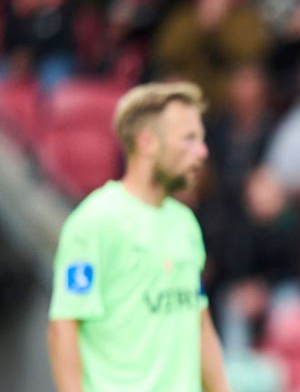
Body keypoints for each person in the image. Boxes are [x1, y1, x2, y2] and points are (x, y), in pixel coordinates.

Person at [47, 82, 231, 392]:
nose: (202, 151)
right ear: (147, 143)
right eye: (189, 139)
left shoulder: (185, 223)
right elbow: (63, 327)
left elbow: (199, 323)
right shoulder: (96, 221)